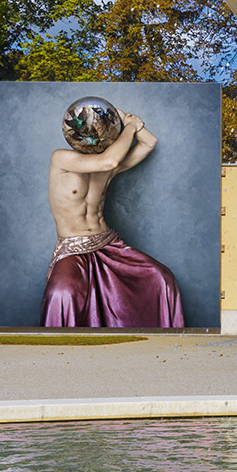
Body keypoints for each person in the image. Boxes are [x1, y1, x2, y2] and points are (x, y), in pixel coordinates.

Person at [41, 109, 185, 328]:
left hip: (108, 244)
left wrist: (127, 120)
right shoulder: (62, 159)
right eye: (87, 129)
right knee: (62, 293)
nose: (92, 134)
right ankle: (62, 354)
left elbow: (149, 142)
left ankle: (163, 344)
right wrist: (130, 128)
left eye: (97, 128)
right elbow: (108, 161)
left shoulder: (107, 168)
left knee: (161, 278)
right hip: (73, 247)